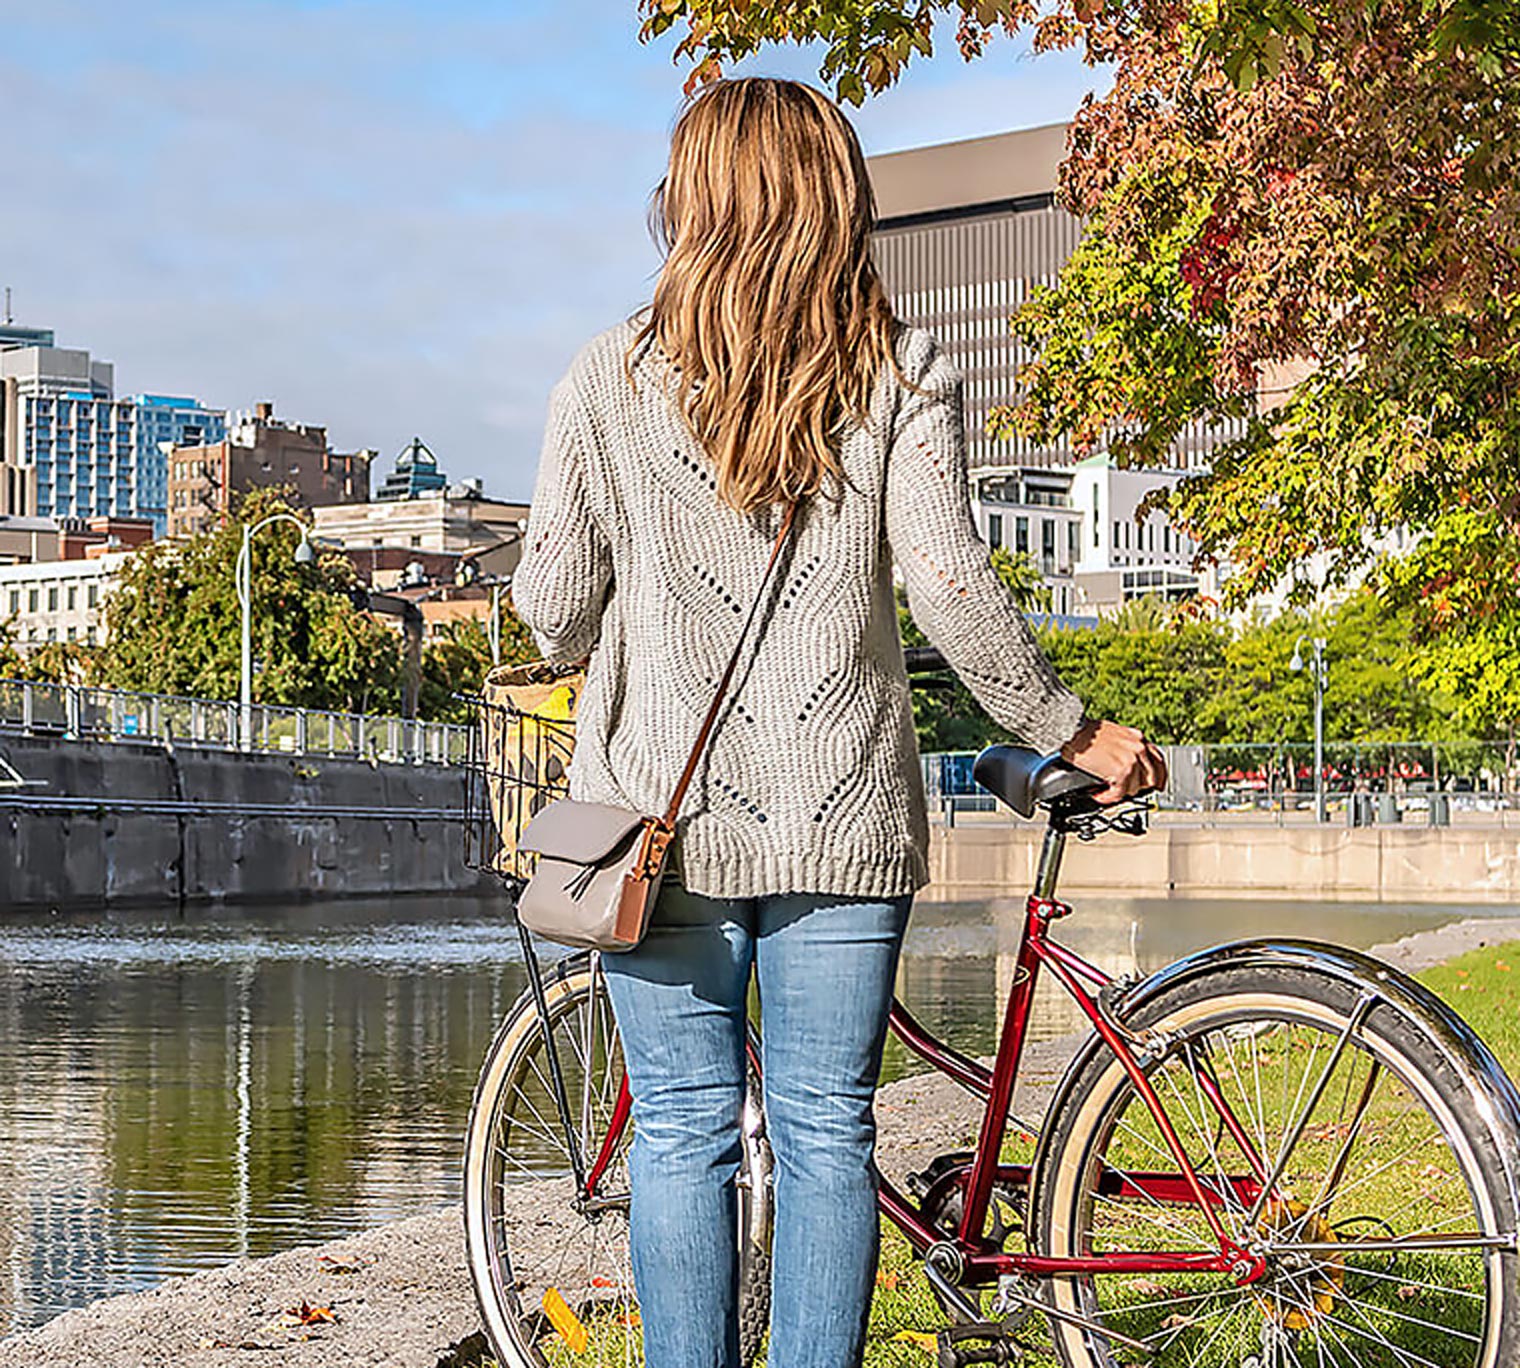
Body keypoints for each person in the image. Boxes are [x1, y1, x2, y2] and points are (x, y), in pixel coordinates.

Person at [510, 75, 1166, 1368]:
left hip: (655, 826)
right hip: (845, 818)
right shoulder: (903, 371)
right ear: (837, 202)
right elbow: (952, 588)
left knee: (685, 1135)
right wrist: (1065, 723)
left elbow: (552, 610)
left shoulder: (605, 379)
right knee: (825, 1135)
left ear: (690, 205)